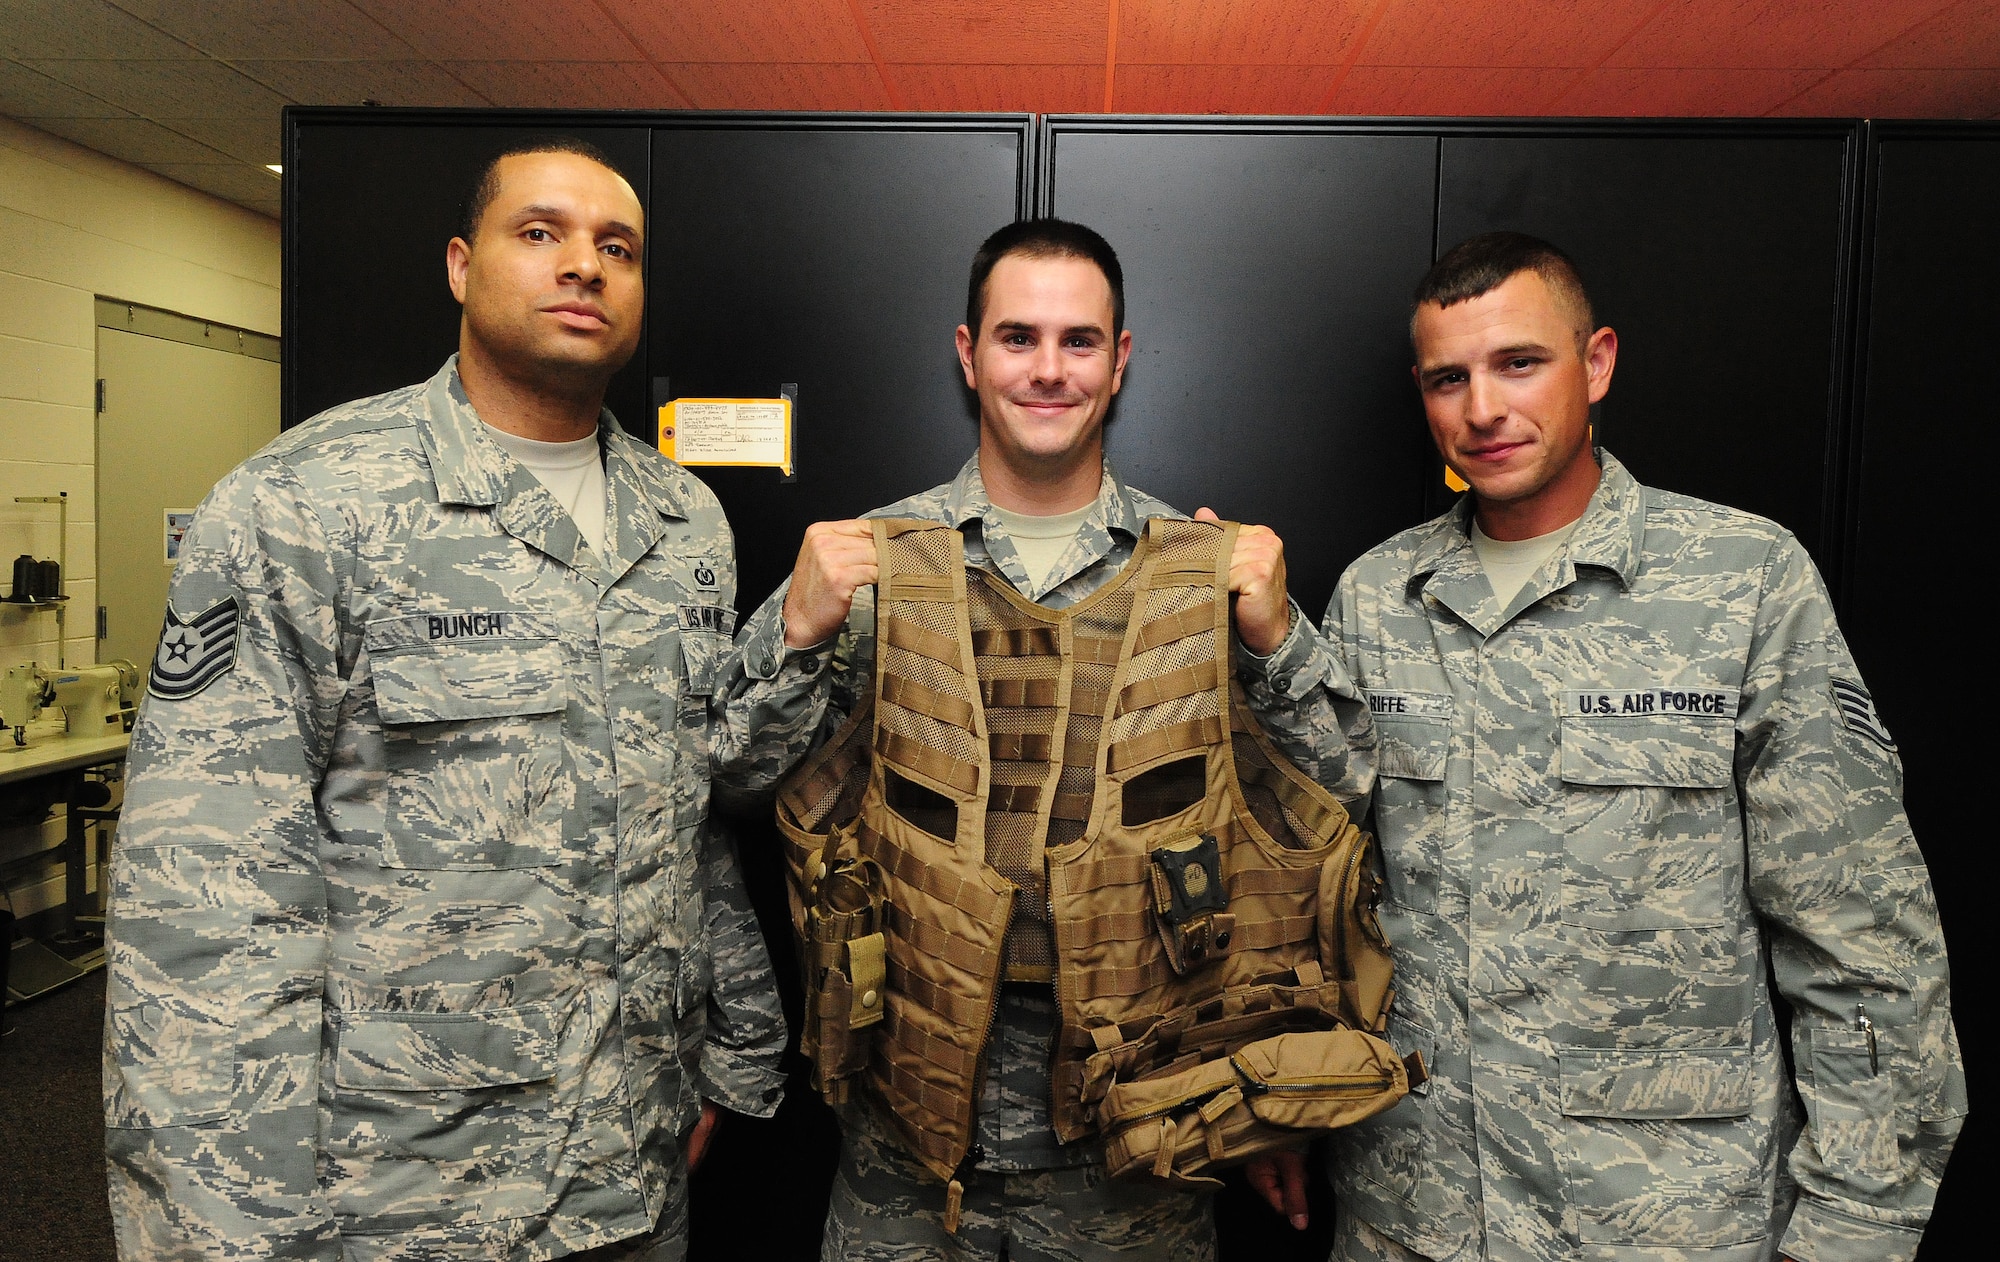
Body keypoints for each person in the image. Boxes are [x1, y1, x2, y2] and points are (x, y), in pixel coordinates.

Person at [102, 138, 788, 1262]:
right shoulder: (307, 501)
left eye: (616, 247)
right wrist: (228, 1232)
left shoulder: (683, 524)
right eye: (541, 232)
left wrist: (722, 1049)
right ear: (462, 266)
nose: (584, 266)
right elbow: (205, 906)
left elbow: (682, 818)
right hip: (396, 1197)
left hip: (631, 1165)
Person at [1248, 231, 1965, 1262]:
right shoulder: (1377, 593)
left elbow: (1863, 941)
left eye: (1518, 362)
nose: (1481, 408)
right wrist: (1277, 1096)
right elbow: (1316, 874)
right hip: (1417, 1212)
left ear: (1595, 363)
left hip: (1664, 1220)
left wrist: (1856, 1223)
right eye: (1448, 378)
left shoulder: (1740, 578)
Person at [720, 218, 1377, 1261]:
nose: (1046, 368)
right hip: (904, 1130)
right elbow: (734, 786)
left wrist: (1275, 638)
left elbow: (1348, 792)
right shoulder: (869, 564)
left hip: (1136, 1138)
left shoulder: (1202, 572)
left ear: (1118, 363)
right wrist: (799, 634)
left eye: (1077, 341)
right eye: (1017, 337)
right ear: (967, 352)